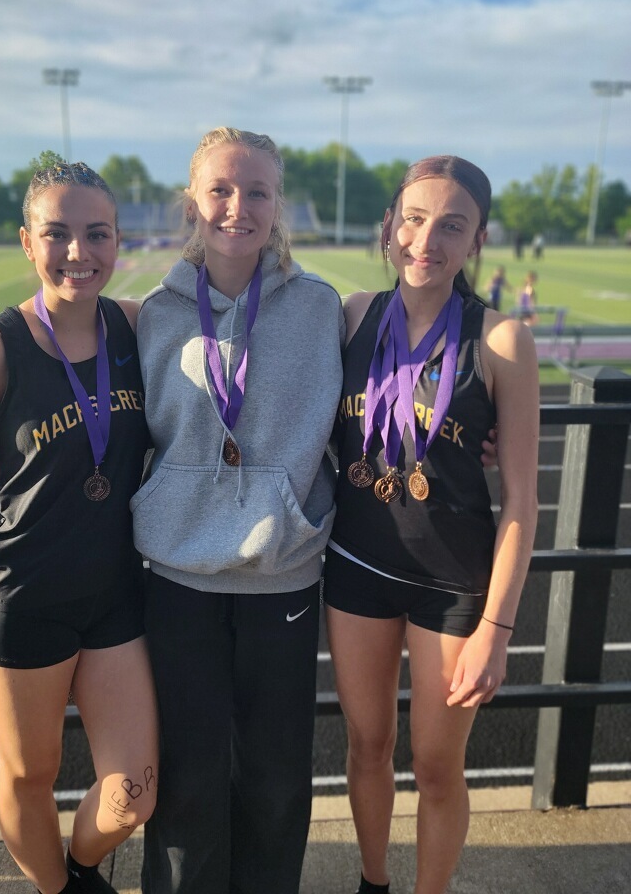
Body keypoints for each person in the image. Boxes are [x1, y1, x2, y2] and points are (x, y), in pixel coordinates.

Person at [0, 161, 158, 894]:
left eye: (96, 234)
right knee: (32, 774)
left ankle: (82, 866)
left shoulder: (136, 325)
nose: (78, 253)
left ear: (119, 241)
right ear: (28, 242)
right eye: (58, 234)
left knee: (135, 791)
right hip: (19, 601)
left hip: (113, 598)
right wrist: (34, 514)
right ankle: (57, 889)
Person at [131, 127, 345, 894]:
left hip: (281, 578)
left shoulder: (324, 309)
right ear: (193, 201)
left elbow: (390, 385)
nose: (238, 206)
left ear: (278, 203)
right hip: (179, 578)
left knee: (278, 778)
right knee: (185, 776)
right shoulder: (150, 313)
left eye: (257, 191)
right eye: (220, 189)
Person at [324, 155, 539, 894]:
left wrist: (497, 630)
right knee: (367, 744)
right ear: (389, 228)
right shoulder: (352, 314)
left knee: (438, 767)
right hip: (356, 565)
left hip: (453, 583)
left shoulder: (501, 340)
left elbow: (521, 501)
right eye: (413, 220)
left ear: (477, 241)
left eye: (452, 225)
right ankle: (374, 881)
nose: (427, 241)